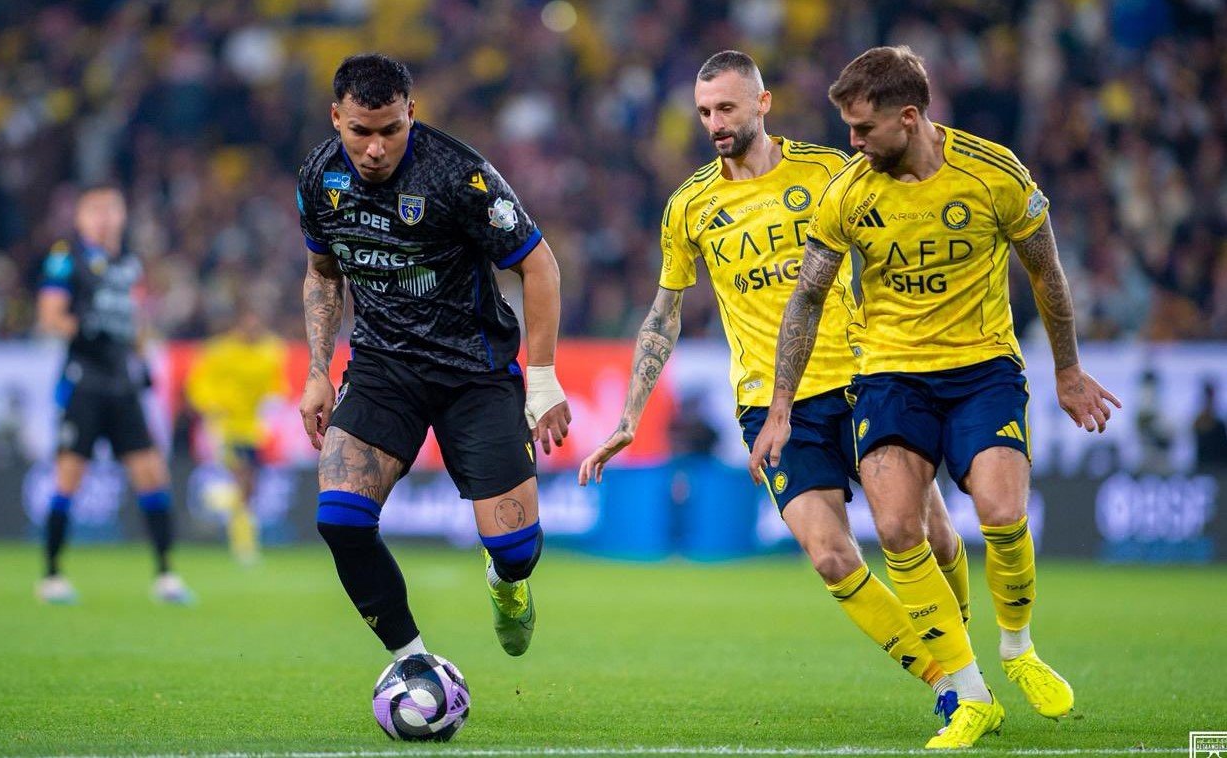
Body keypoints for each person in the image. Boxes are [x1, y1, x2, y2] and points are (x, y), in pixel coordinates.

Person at [578, 51, 970, 724]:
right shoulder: (690, 204)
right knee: (831, 558)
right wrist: (628, 417)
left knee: (928, 536)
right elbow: (663, 315)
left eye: (726, 108)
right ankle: (951, 683)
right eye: (704, 112)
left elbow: (902, 238)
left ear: (762, 104)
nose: (714, 123)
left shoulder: (829, 171)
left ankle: (963, 650)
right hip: (769, 405)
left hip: (864, 380)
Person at [749, 46, 1121, 749]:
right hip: (889, 377)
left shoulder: (994, 173)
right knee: (896, 530)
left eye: (863, 128)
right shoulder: (848, 192)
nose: (852, 143)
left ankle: (1018, 647)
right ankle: (970, 693)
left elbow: (1045, 271)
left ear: (909, 117)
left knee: (1001, 512)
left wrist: (1068, 371)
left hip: (982, 370)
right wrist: (780, 407)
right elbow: (806, 299)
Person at [296, 54, 571, 663]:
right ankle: (413, 662)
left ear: (412, 114)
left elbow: (539, 265)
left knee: (516, 552)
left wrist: (543, 377)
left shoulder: (459, 175)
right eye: (360, 131)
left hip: (474, 372)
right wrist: (318, 370)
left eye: (390, 130)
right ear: (336, 118)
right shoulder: (319, 177)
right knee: (340, 519)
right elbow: (322, 272)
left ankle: (505, 582)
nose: (375, 149)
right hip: (383, 368)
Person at [34, 184, 191, 605]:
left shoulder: (128, 264)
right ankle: (51, 575)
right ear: (81, 218)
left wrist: (140, 357)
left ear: (123, 216)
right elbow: (49, 316)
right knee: (69, 475)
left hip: (122, 383)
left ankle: (166, 574)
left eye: (111, 209)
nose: (104, 218)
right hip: (85, 380)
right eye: (95, 210)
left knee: (152, 474)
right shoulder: (66, 258)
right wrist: (86, 330)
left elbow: (135, 321)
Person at [185, 303, 287, 564]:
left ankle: (213, 502)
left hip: (253, 429)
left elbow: (276, 387)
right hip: (224, 427)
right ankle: (244, 546)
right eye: (247, 324)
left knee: (249, 488)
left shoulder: (270, 351)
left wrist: (273, 405)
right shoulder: (218, 350)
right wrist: (213, 406)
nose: (252, 329)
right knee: (242, 480)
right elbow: (198, 386)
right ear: (237, 325)